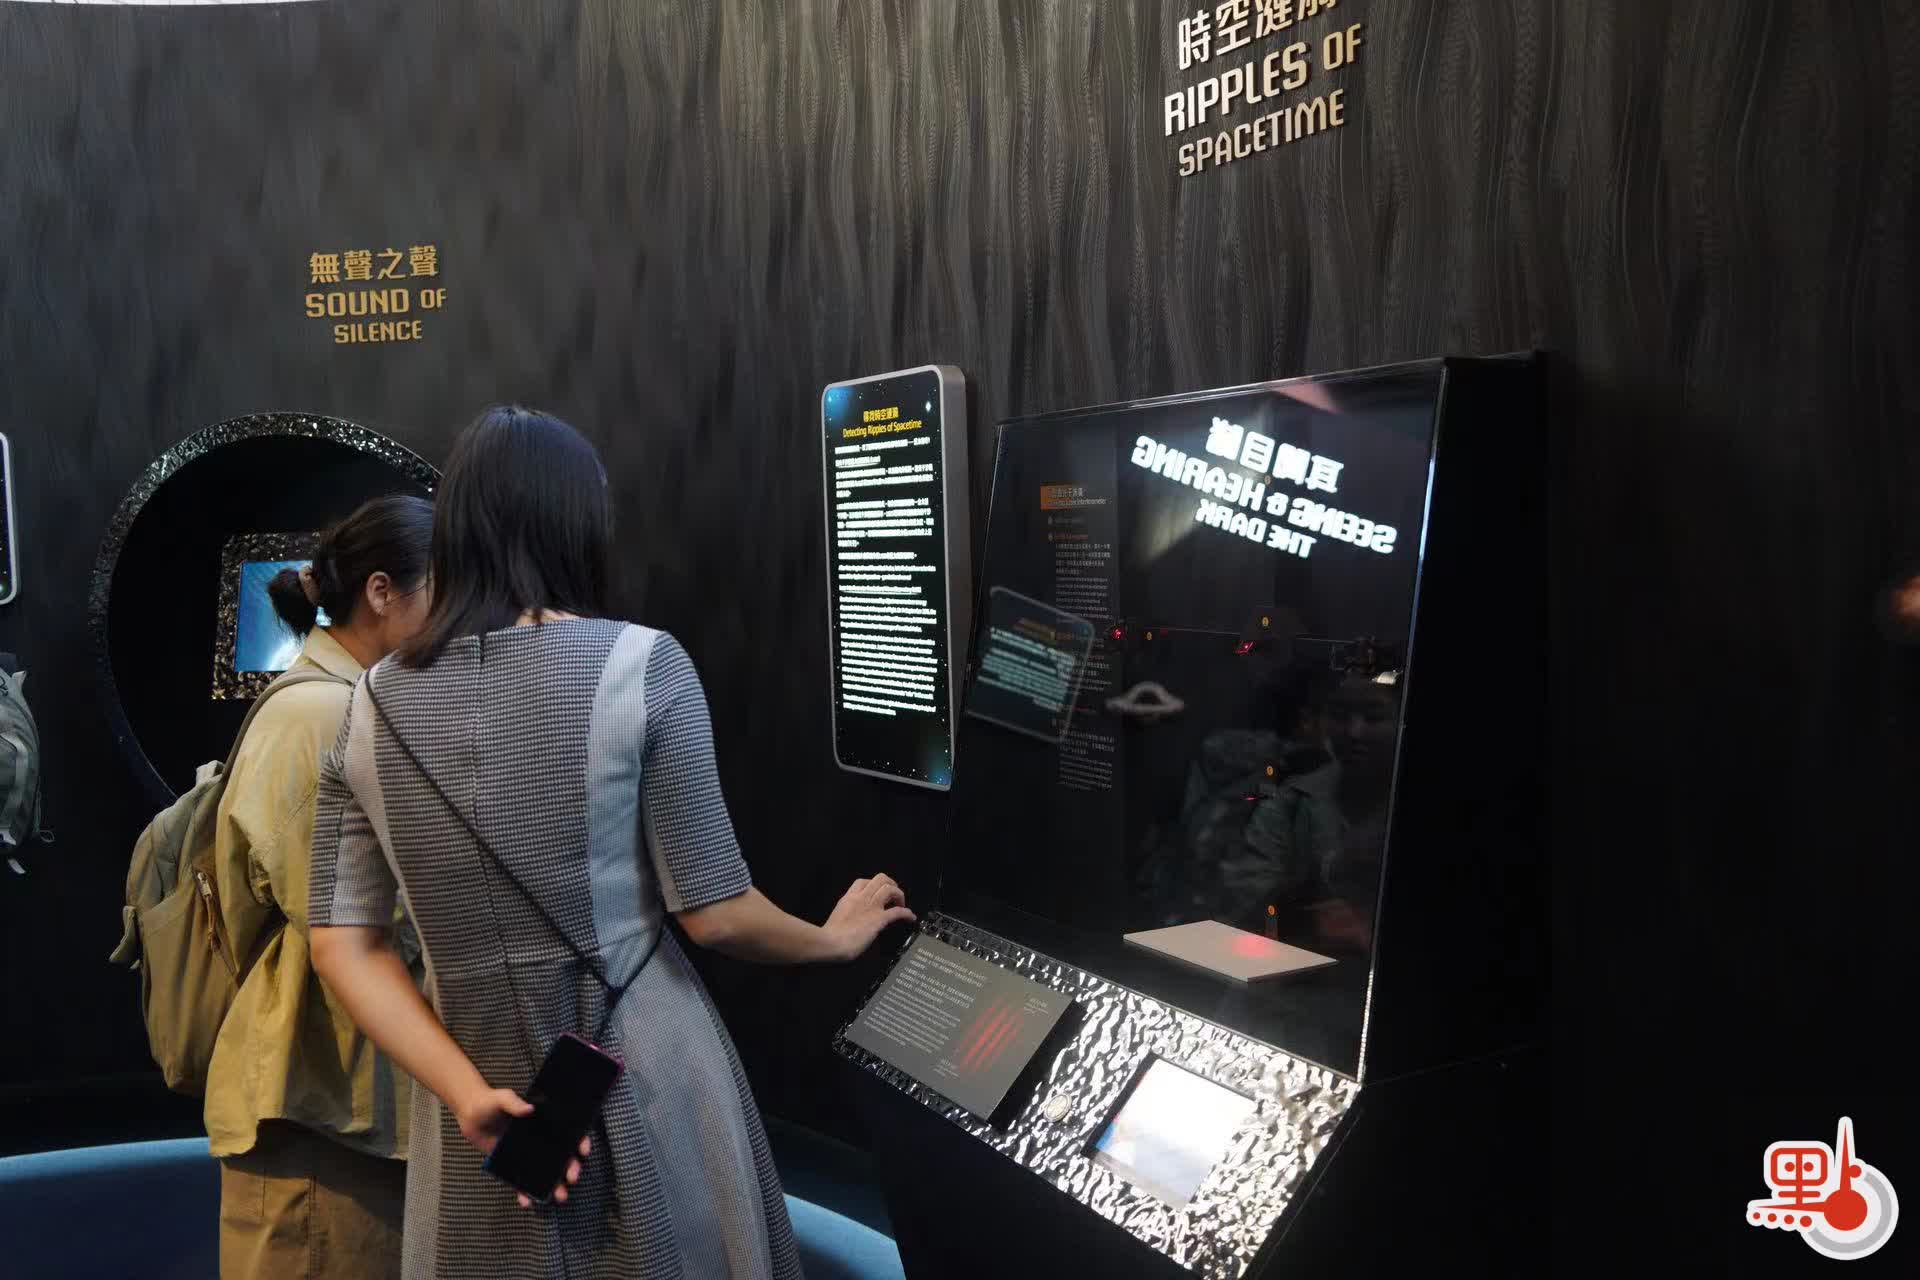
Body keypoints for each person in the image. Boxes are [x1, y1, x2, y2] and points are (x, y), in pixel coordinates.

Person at [308, 406, 915, 1280]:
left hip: (472, 1094)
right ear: (577, 522)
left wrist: (467, 1093)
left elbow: (342, 944)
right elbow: (715, 914)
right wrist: (831, 939)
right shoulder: (643, 664)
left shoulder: (368, 704)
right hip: (646, 1065)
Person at [206, 494, 436, 1280]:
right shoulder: (320, 717)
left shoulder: (349, 704)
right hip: (320, 1106)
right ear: (382, 592)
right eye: (444, 591)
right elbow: (344, 919)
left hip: (345, 1101)